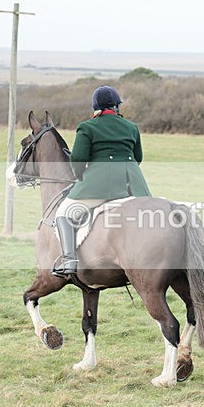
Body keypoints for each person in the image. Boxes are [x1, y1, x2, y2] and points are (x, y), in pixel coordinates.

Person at [52, 85, 152, 277]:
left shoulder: (87, 127)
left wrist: (80, 176)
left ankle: (69, 260)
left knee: (63, 213)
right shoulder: (132, 127)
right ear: (117, 106)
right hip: (133, 186)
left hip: (99, 187)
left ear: (95, 106)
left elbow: (79, 161)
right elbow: (138, 157)